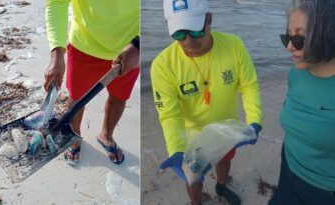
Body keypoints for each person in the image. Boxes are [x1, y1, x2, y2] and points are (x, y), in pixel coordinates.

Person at [150, 0, 262, 204]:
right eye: (179, 34)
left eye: (195, 31)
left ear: (209, 19)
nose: (188, 41)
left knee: (225, 160)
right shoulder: (162, 65)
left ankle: (221, 186)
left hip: (226, 129)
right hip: (192, 137)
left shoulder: (234, 45)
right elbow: (169, 113)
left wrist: (254, 120)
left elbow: (249, 85)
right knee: (194, 179)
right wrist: (176, 149)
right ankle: (196, 202)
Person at [44, 1, 140, 164]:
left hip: (131, 49)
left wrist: (138, 45)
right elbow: (57, 3)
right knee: (76, 99)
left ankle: (106, 135)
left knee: (119, 97)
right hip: (84, 46)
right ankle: (74, 138)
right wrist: (57, 54)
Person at [269, 0, 335, 204]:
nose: (289, 47)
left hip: (324, 189)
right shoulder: (296, 74)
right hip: (288, 167)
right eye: (287, 37)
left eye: (298, 38)